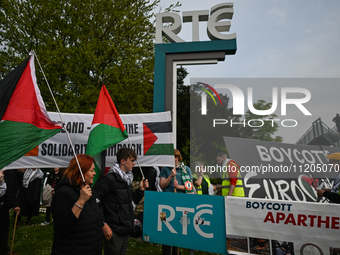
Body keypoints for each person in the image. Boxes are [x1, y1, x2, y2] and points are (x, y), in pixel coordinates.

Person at [94, 148, 149, 255]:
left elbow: (129, 204)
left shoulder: (127, 178)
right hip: (113, 231)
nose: (134, 163)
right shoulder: (109, 179)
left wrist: (140, 191)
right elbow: (95, 201)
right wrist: (103, 224)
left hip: (125, 230)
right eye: (132, 160)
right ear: (123, 161)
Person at [51, 154, 103, 255]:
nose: (94, 173)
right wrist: (80, 202)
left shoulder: (89, 191)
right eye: (91, 170)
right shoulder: (63, 193)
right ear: (81, 171)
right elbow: (62, 227)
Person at [159, 149, 194, 255]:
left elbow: (190, 186)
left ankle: (176, 252)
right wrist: (170, 176)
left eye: (171, 157)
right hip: (166, 203)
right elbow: (161, 186)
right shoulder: (165, 169)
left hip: (181, 204)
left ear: (177, 158)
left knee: (179, 228)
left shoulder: (186, 169)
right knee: (165, 228)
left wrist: (178, 186)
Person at [0, 170, 20, 255]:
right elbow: (9, 191)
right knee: (2, 229)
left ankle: (4, 249)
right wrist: (14, 204)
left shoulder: (9, 173)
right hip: (2, 207)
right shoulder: (9, 173)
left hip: (4, 207)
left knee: (4, 228)